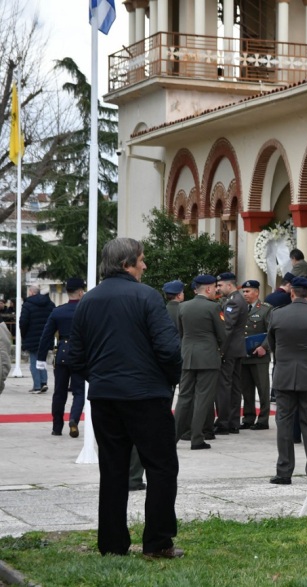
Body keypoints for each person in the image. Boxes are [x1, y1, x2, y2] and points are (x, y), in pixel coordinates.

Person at [67, 237, 183, 558]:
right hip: (146, 396)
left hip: (105, 398)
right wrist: (168, 380)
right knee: (160, 468)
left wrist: (100, 379)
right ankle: (158, 543)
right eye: (141, 260)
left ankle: (113, 545)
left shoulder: (88, 301)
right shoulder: (147, 297)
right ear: (126, 264)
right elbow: (169, 348)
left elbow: (74, 356)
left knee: (113, 470)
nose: (145, 265)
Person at [267, 277, 307, 485]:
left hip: (284, 375)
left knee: (284, 423)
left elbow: (272, 343)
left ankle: (284, 471)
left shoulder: (277, 315)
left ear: (292, 293)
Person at [175, 275, 226, 450]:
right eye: (215, 287)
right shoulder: (213, 307)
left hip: (187, 355)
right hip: (208, 357)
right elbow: (222, 334)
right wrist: (220, 351)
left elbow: (181, 333)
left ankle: (173, 437)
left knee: (184, 397)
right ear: (209, 289)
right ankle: (197, 438)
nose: (216, 291)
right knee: (203, 398)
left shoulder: (183, 307)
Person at [36, 277, 87, 438]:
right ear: (80, 292)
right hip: (80, 354)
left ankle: (57, 427)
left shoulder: (58, 311)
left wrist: (41, 358)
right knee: (79, 391)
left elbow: (46, 337)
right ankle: (74, 419)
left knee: (59, 392)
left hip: (63, 354)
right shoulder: (86, 310)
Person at [215, 273, 248, 434]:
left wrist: (221, 350)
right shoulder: (236, 299)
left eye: (220, 285)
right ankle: (233, 421)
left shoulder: (233, 301)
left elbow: (227, 328)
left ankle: (224, 422)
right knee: (234, 386)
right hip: (236, 348)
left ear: (229, 285)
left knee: (225, 386)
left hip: (229, 350)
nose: (218, 288)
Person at [239, 279, 272, 430]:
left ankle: (263, 419)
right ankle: (248, 417)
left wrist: (264, 347)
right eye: (243, 291)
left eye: (248, 291)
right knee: (246, 389)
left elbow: (271, 331)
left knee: (262, 388)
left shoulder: (265, 309)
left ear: (256, 292)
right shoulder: (240, 308)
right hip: (244, 355)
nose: (245, 294)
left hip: (259, 356)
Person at [20, 284, 55, 393]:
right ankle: (44, 382)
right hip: (46, 336)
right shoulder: (50, 304)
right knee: (42, 360)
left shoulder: (27, 304)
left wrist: (23, 335)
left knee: (34, 361)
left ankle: (37, 386)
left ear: (31, 292)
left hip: (32, 337)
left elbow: (23, 322)